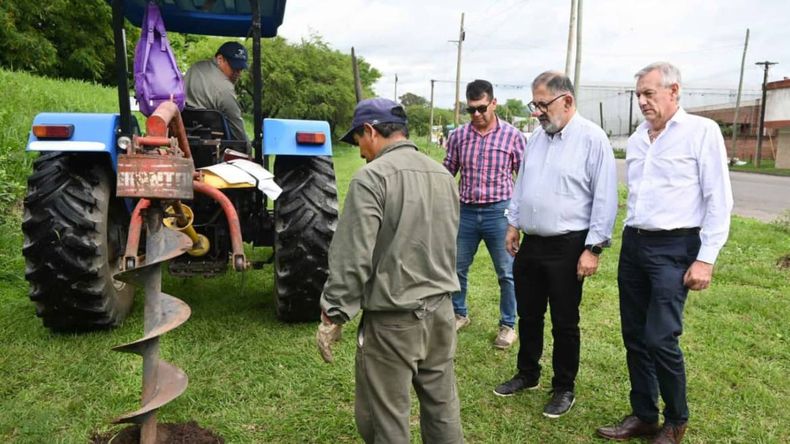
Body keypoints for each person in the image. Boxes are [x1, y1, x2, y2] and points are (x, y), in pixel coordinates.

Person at [596, 62, 733, 444]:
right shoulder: (639, 138)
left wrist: (706, 257)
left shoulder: (701, 132)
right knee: (635, 335)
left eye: (649, 93)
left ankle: (675, 422)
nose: (642, 101)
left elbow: (718, 199)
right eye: (638, 94)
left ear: (674, 91)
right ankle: (644, 415)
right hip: (636, 243)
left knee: (660, 337)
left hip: (676, 247)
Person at [317, 97, 464, 444]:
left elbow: (352, 257)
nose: (360, 152)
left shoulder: (372, 178)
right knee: (442, 408)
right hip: (442, 312)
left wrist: (333, 315)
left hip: (393, 320)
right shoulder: (443, 175)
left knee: (384, 419)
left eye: (358, 141)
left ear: (370, 131)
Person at [493, 71, 618, 418]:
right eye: (535, 104)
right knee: (528, 314)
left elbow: (604, 198)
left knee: (564, 320)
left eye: (542, 104)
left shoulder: (593, 139)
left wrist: (593, 249)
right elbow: (522, 185)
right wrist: (513, 222)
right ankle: (527, 374)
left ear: (567, 101)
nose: (537, 112)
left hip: (569, 245)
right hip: (532, 243)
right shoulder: (536, 139)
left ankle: (563, 387)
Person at [443, 79, 526, 349]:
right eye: (471, 110)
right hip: (465, 211)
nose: (477, 115)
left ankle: (507, 325)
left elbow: (524, 177)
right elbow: (447, 173)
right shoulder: (458, 136)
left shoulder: (512, 136)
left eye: (481, 108)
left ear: (493, 103)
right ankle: (458, 313)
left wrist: (517, 218)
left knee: (507, 272)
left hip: (499, 212)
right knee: (456, 268)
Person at [184, 41, 249, 142]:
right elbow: (238, 132)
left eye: (241, 69)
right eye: (234, 67)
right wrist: (248, 151)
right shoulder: (226, 89)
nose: (238, 73)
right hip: (213, 147)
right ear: (220, 59)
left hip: (184, 136)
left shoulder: (195, 67)